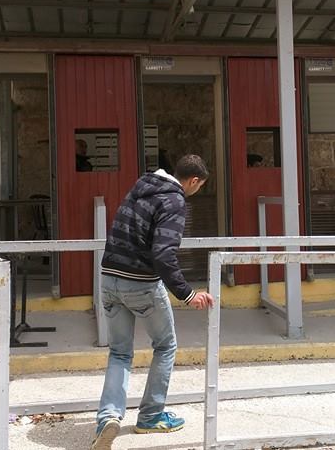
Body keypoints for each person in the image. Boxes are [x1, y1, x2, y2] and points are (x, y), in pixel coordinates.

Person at [92, 154, 214, 450]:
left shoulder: (141, 185)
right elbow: (163, 253)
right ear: (194, 180)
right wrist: (187, 293)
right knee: (165, 345)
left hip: (109, 278)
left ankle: (108, 417)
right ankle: (150, 417)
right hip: (141, 283)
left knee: (120, 352)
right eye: (199, 186)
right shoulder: (174, 201)